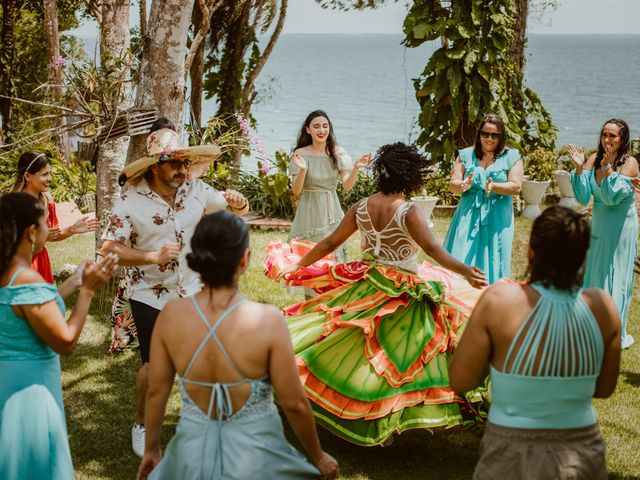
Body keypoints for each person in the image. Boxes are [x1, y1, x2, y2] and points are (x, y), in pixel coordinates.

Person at [265, 142, 487, 446]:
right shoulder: (409, 212)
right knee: (395, 355)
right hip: (402, 289)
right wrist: (465, 271)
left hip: (368, 281)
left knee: (350, 342)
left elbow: (330, 243)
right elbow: (433, 250)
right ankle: (385, 418)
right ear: (408, 175)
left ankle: (360, 411)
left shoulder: (361, 207)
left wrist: (300, 263)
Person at [136, 211, 338, 480]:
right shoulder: (268, 320)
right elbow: (294, 403)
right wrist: (318, 456)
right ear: (244, 259)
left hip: (191, 455)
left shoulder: (170, 316)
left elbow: (156, 392)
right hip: (257, 458)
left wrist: (152, 449)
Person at [101, 128, 250, 458]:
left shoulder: (196, 189)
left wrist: (240, 202)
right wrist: (151, 257)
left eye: (185, 163)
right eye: (175, 164)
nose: (183, 170)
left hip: (194, 290)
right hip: (150, 295)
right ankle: (141, 423)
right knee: (154, 366)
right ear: (156, 167)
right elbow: (108, 248)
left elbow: (233, 208)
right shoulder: (129, 201)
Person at [449, 205, 621, 480]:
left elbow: (460, 380)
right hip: (582, 450)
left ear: (532, 250)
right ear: (582, 255)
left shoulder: (500, 301)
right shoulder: (603, 307)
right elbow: (604, 389)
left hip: (512, 450)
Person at [0, 192, 116, 479]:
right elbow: (65, 340)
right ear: (31, 232)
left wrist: (75, 281)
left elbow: (33, 310)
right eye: (44, 223)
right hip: (29, 391)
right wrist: (87, 291)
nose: (47, 229)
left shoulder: (7, 273)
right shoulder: (25, 277)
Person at [568, 118, 638, 349]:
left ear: (622, 139)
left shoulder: (629, 164)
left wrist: (608, 169)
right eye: (604, 134)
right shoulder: (592, 159)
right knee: (595, 273)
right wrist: (580, 167)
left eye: (613, 136)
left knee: (616, 275)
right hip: (598, 225)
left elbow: (611, 198)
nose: (607, 139)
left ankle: (611, 330)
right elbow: (581, 196)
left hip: (621, 228)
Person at [443, 113, 523, 284]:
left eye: (495, 135)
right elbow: (453, 184)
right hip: (468, 212)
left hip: (497, 213)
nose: (489, 138)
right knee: (461, 250)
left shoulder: (512, 156)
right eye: (485, 133)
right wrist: (464, 184)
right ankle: (457, 293)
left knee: (495, 255)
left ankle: (491, 296)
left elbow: (516, 187)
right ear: (479, 134)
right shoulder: (465, 155)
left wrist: (493, 187)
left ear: (502, 137)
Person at [289, 110, 372, 266]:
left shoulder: (337, 152)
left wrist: (356, 168)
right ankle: (309, 291)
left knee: (331, 258)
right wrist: (302, 170)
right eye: (316, 126)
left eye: (325, 126)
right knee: (308, 257)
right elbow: (296, 191)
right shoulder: (300, 154)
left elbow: (347, 186)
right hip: (309, 211)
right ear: (308, 129)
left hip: (331, 210)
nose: (321, 130)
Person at [12, 151, 99, 283]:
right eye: (45, 174)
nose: (50, 179)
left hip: (41, 262)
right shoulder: (13, 205)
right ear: (28, 176)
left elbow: (53, 235)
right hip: (20, 264)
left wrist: (72, 229)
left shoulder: (47, 201)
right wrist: (39, 237)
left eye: (50, 173)